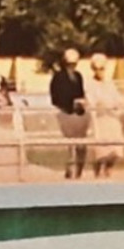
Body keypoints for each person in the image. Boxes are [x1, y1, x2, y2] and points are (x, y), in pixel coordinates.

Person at [50, 48, 90, 179]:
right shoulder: (58, 78)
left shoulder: (78, 76)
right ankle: (70, 171)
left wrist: (82, 103)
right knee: (70, 146)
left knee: (81, 146)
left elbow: (81, 93)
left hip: (79, 115)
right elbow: (56, 98)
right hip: (65, 114)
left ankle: (79, 171)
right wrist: (69, 104)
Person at [84, 53, 124, 178]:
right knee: (100, 154)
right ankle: (98, 177)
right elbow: (92, 102)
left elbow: (118, 100)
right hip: (99, 122)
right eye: (96, 68)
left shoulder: (109, 84)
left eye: (102, 68)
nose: (99, 71)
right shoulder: (89, 84)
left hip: (112, 120)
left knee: (113, 153)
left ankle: (109, 175)